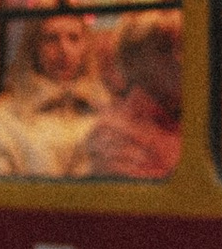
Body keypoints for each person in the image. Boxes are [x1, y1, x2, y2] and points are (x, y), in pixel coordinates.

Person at [0, 10, 98, 175]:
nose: (64, 49)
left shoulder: (103, 113)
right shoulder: (1, 120)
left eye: (74, 38)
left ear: (85, 47)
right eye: (51, 39)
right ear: (33, 48)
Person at [71, 10, 184, 181]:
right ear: (133, 62)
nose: (179, 60)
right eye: (164, 49)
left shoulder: (219, 116)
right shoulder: (115, 135)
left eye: (184, 47)